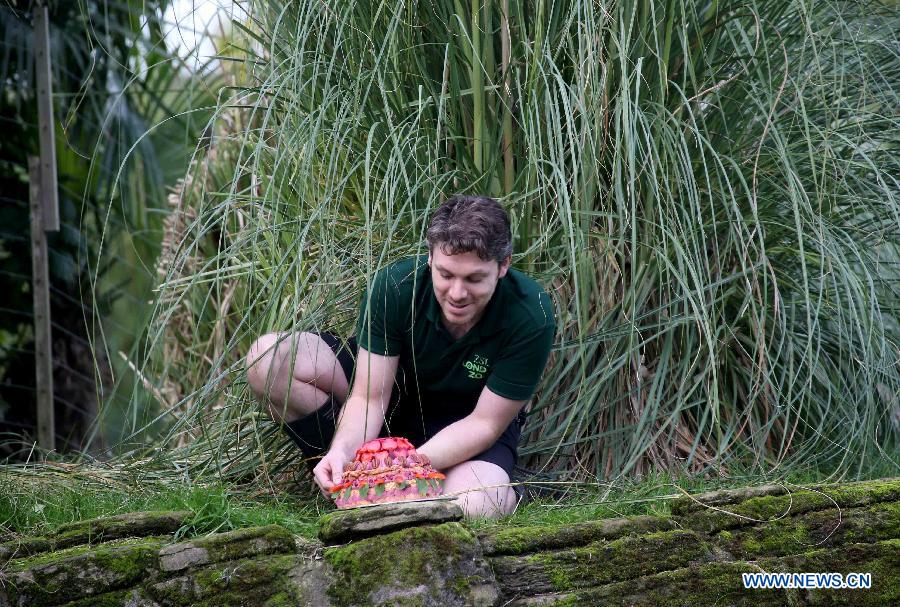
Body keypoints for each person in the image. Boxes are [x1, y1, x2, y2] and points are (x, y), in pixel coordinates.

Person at [245, 195, 555, 518]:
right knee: (267, 360)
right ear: (430, 257)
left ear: (503, 266)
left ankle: (401, 491)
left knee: (475, 505)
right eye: (446, 275)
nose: (458, 293)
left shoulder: (532, 314)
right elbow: (368, 398)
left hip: (467, 428)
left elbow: (485, 424)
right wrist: (342, 451)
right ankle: (347, 478)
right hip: (392, 402)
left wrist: (404, 467)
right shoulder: (394, 286)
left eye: (474, 279)